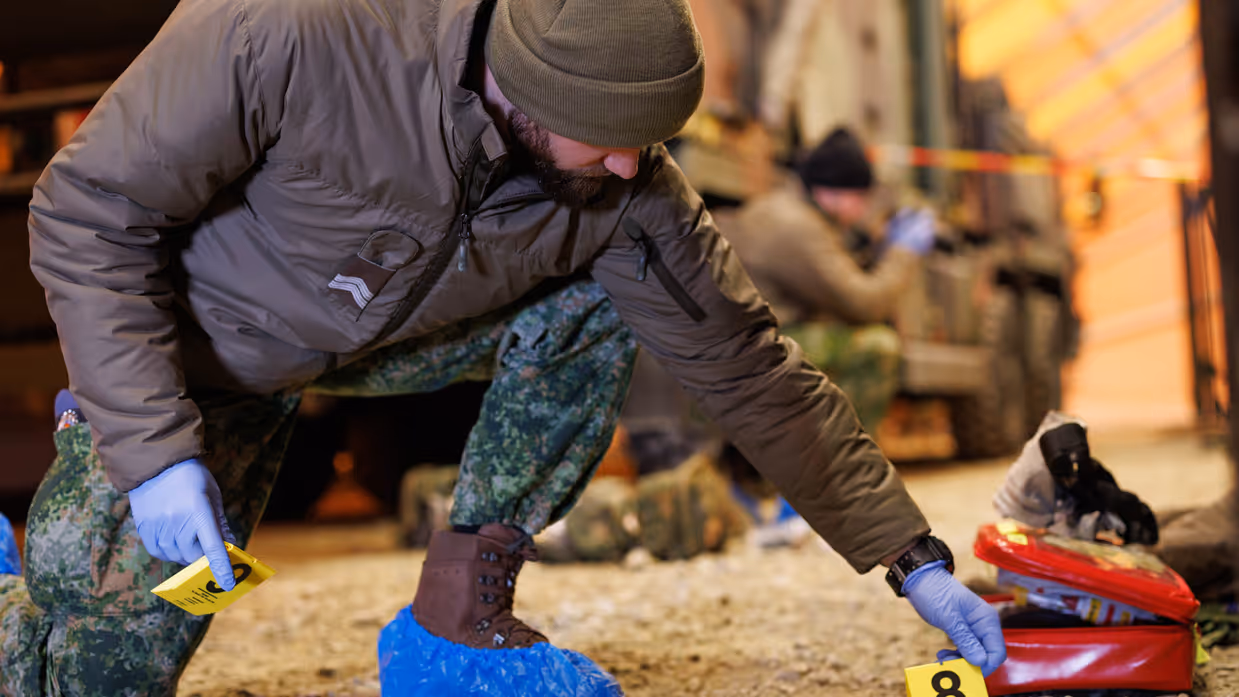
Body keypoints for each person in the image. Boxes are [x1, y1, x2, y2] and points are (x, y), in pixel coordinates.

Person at [1, 0, 1005, 693]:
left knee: (616, 295)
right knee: (95, 670)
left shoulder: (626, 185)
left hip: (378, 337)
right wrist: (153, 444)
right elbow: (91, 210)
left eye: (645, 143)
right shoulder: (296, 30)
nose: (628, 165)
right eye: (606, 139)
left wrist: (911, 558)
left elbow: (750, 366)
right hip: (201, 354)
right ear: (521, 91)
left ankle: (453, 619)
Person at [724, 126, 936, 432]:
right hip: (752, 353)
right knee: (879, 347)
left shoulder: (783, 209)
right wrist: (903, 252)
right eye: (861, 196)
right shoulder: (796, 227)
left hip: (739, 345)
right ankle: (837, 466)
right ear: (832, 192)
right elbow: (864, 305)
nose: (865, 207)